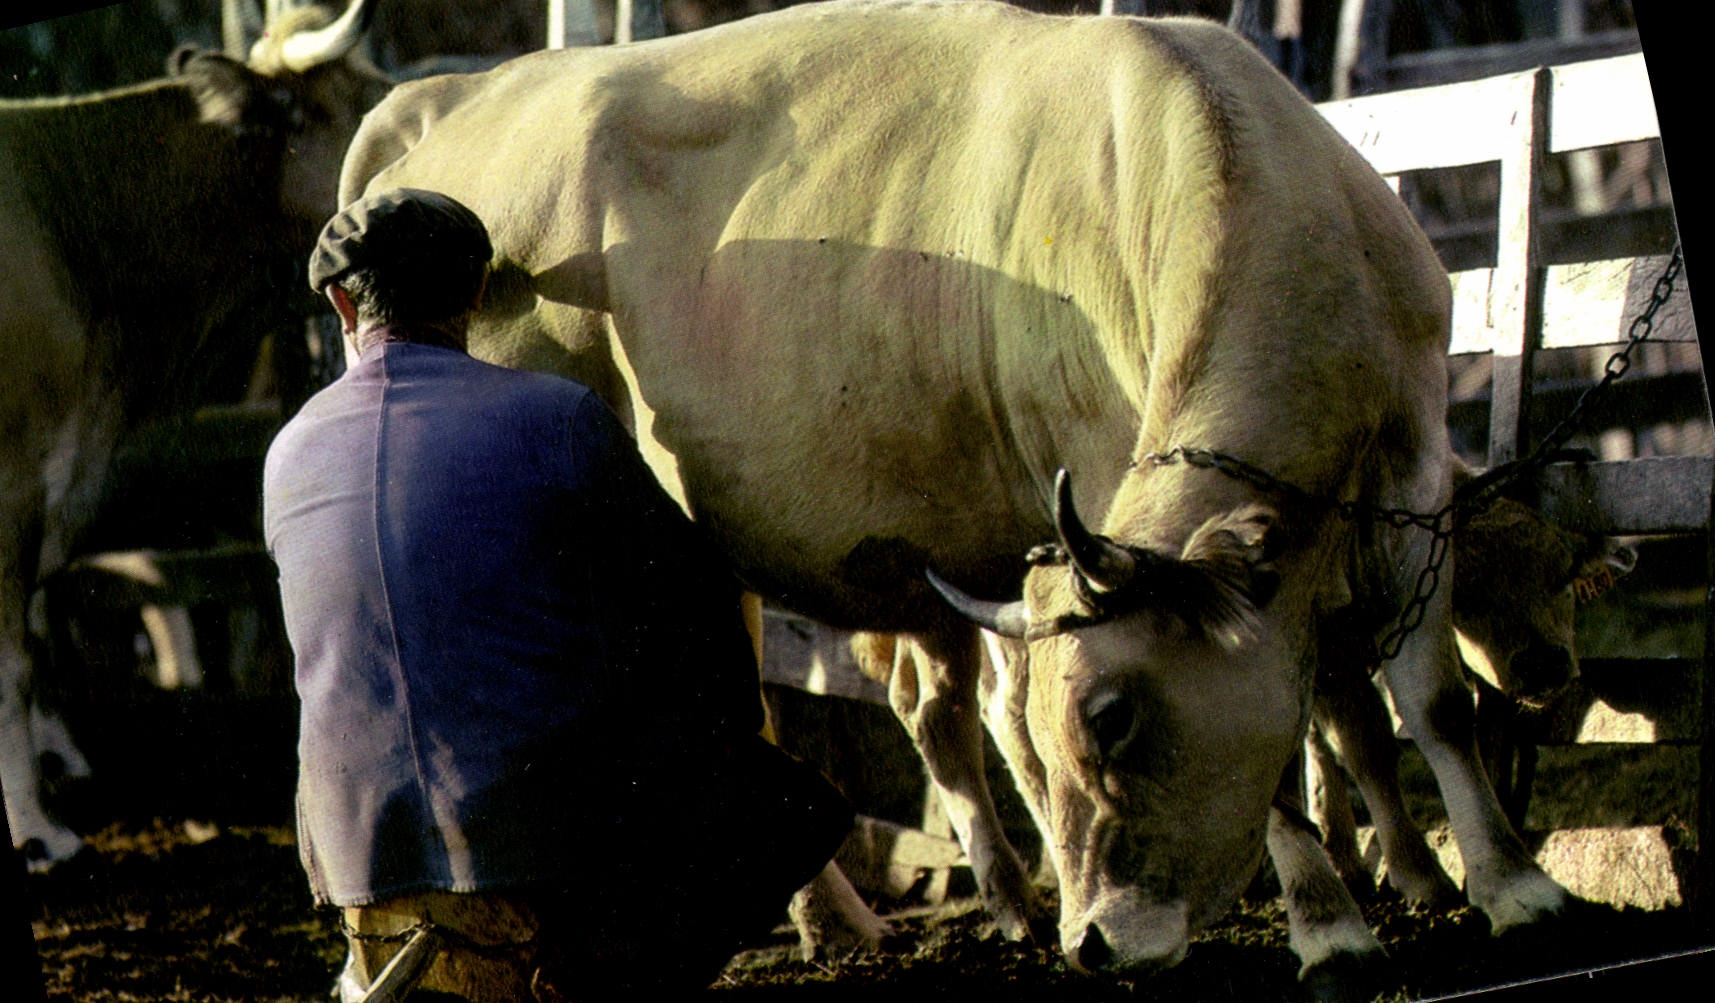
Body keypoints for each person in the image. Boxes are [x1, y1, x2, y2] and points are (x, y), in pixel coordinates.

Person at [263, 188, 853, 1001]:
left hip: (352, 854)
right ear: (476, 292)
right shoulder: (554, 416)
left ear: (339, 302)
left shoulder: (287, 453)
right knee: (784, 805)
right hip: (533, 843)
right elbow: (693, 610)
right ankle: (597, 975)